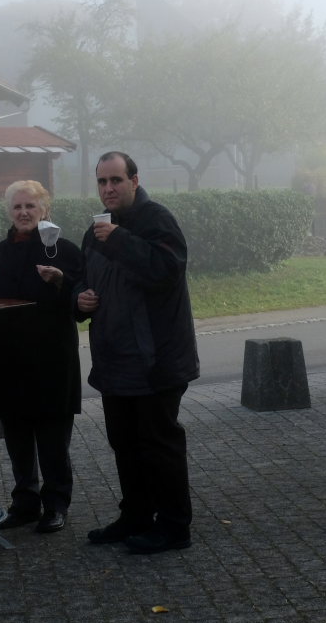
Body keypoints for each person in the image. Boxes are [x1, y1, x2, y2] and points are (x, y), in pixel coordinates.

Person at [76, 151, 199, 554]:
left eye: (116, 180)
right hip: (114, 360)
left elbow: (166, 270)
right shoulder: (95, 229)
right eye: (102, 181)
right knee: (125, 443)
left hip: (156, 360)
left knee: (159, 444)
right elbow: (83, 281)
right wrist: (79, 298)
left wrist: (120, 240)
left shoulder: (156, 220)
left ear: (134, 180)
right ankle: (136, 517)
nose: (108, 188)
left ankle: (175, 527)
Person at [0, 180, 83, 534]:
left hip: (51, 360)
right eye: (17, 207)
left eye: (31, 206)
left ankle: (56, 503)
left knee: (53, 437)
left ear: (46, 210)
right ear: (9, 212)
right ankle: (25, 502)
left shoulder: (65, 251)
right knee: (17, 437)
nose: (24, 212)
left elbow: (83, 298)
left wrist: (61, 281)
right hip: (7, 361)